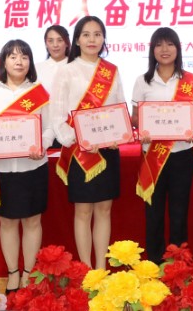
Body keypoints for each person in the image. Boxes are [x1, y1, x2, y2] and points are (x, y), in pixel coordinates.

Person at [0, 39, 53, 293]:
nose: (19, 62)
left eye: (24, 57)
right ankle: (12, 272)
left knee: (32, 221)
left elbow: (49, 128)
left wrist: (41, 145)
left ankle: (29, 272)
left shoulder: (39, 92)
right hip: (2, 168)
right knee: (7, 222)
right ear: (4, 61)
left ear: (30, 62)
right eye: (13, 56)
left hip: (33, 166)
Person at [50, 16, 126, 269]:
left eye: (97, 34)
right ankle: (85, 270)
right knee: (83, 212)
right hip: (80, 153)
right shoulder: (66, 70)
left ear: (104, 38)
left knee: (104, 210)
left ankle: (101, 269)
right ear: (77, 40)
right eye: (86, 34)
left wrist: (118, 136)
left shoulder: (112, 70)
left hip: (107, 151)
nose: (92, 39)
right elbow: (57, 116)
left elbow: (119, 108)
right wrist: (79, 140)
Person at [130, 27, 193, 264]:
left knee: (179, 212)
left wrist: (191, 129)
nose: (164, 49)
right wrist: (143, 128)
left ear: (178, 49)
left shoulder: (189, 81)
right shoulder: (142, 81)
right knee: (154, 213)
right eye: (159, 44)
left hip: (182, 154)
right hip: (152, 154)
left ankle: (179, 264)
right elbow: (135, 117)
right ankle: (154, 263)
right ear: (152, 50)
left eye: (170, 44)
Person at [35, 25, 70, 89]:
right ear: (46, 44)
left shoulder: (77, 67)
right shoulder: (36, 69)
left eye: (60, 40)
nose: (55, 45)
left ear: (67, 43)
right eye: (50, 41)